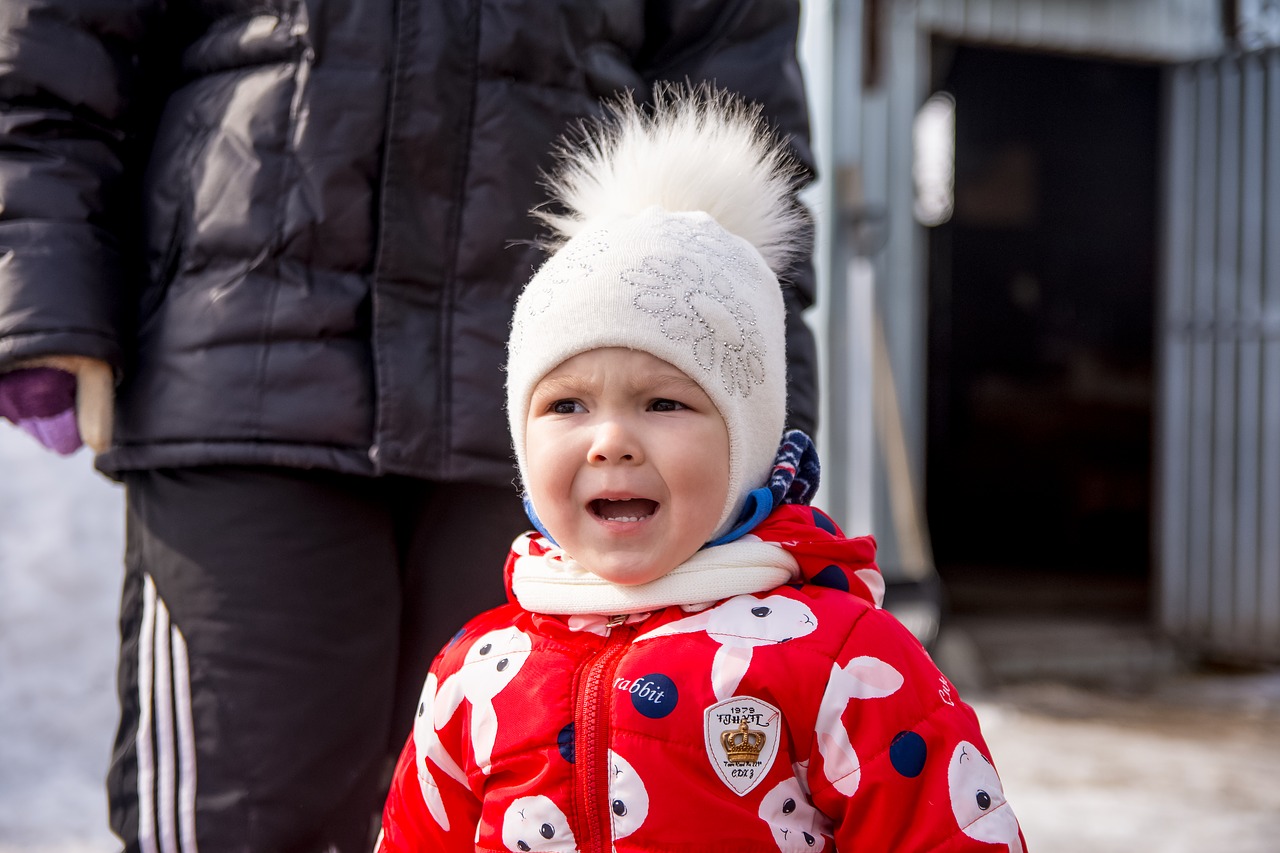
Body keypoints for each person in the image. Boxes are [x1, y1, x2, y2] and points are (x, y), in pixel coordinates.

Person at [0, 3, 820, 850]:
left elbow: (733, 93)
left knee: (548, 801)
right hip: (243, 359)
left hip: (565, 390)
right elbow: (58, 45)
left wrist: (762, 416)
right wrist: (37, 263)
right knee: (243, 816)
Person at [376, 87, 1025, 852]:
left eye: (662, 403)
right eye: (566, 406)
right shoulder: (477, 673)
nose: (609, 441)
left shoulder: (845, 661)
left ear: (746, 439)